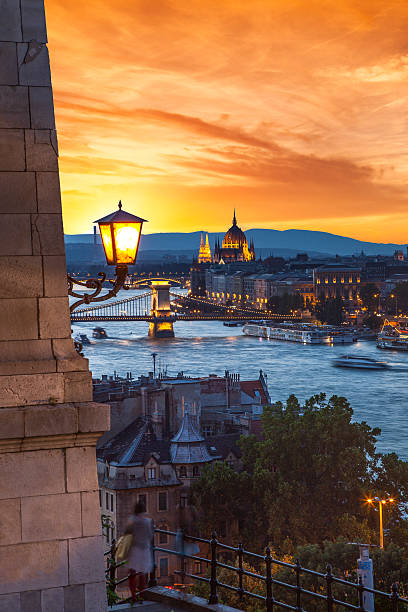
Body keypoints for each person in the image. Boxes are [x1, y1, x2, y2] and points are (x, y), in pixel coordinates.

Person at [125, 501, 154, 602]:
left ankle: (133, 596)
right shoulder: (148, 521)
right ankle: (142, 595)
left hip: (134, 549)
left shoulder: (131, 520)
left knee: (132, 574)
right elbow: (150, 536)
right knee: (142, 574)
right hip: (144, 550)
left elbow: (127, 535)